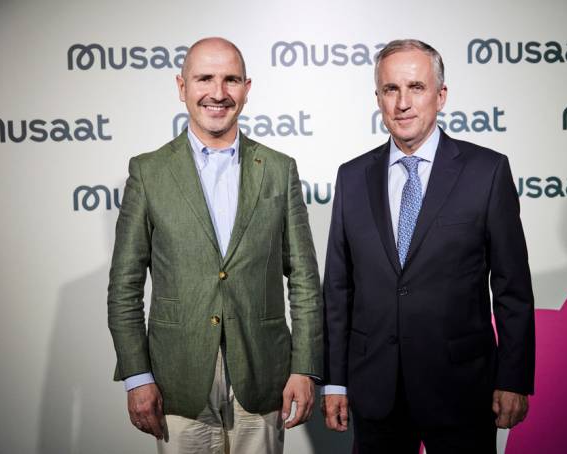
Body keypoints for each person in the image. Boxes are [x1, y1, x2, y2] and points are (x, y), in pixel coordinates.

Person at [107, 37, 322, 454]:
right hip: (177, 380)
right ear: (182, 86)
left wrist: (305, 367)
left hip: (263, 375)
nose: (218, 93)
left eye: (231, 80)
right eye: (205, 78)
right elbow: (124, 288)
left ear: (247, 88)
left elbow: (305, 280)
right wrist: (137, 376)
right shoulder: (149, 172)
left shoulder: (279, 169)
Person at [321, 39, 535, 453]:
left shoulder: (487, 171)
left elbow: (512, 288)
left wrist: (513, 378)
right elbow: (338, 290)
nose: (402, 103)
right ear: (378, 98)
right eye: (391, 89)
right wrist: (335, 381)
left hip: (461, 388)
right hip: (375, 390)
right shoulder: (352, 177)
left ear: (441, 96)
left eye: (416, 87)